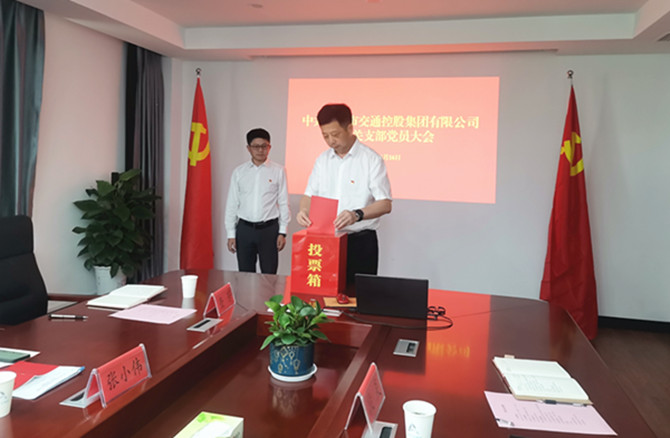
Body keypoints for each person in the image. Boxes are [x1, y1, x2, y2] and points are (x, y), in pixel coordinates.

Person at [297, 103, 392, 288]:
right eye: (325, 136)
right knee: (323, 294)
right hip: (326, 241)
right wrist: (303, 211)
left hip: (359, 242)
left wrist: (356, 214)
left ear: (349, 128)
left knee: (357, 296)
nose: (331, 141)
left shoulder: (371, 159)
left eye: (335, 134)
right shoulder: (322, 160)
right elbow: (309, 196)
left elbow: (385, 203)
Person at [225, 128, 290, 274]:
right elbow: (232, 204)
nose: (260, 150)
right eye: (256, 146)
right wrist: (231, 234)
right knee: (245, 274)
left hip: (269, 230)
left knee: (269, 275)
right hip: (244, 229)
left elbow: (284, 202)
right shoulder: (239, 172)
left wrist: (282, 232)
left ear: (269, 147)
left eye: (264, 146)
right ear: (248, 148)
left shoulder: (279, 171)